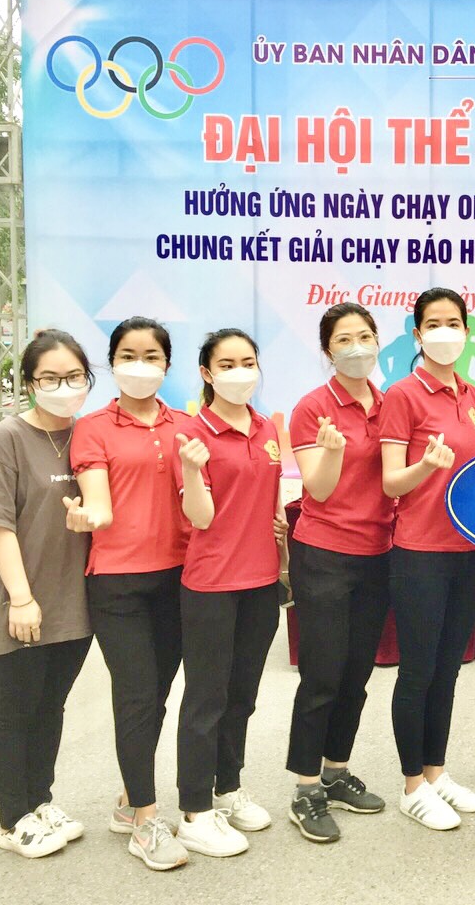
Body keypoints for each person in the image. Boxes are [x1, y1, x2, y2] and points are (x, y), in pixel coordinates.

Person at [66, 317, 190, 870]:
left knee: (157, 695)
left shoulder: (186, 425)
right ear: (112, 362)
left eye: (151, 356)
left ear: (167, 364)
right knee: (137, 695)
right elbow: (98, 502)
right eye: (128, 355)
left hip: (180, 578)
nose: (140, 365)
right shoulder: (93, 428)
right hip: (117, 582)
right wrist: (87, 516)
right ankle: (146, 820)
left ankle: (127, 800)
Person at [378, 288, 475, 831]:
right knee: (419, 671)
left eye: (454, 322)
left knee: (448, 670)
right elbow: (391, 482)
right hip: (420, 553)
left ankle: (436, 773)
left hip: (468, 551)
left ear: (467, 331)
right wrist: (427, 466)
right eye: (434, 323)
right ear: (418, 333)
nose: (445, 332)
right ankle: (412, 785)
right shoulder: (402, 395)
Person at [0, 329, 94, 858]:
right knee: (15, 707)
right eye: (50, 377)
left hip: (74, 600)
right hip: (21, 600)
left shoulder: (88, 436)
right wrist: (21, 598)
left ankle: (40, 800)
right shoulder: (6, 439)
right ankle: (12, 819)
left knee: (51, 705)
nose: (64, 386)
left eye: (74, 376)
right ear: (29, 383)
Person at [172, 328, 287, 857]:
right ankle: (194, 811)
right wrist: (192, 470)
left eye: (248, 362)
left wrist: (282, 554)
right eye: (227, 364)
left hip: (261, 583)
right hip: (212, 584)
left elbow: (269, 501)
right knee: (206, 700)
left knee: (242, 696)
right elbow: (200, 516)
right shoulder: (193, 433)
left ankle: (228, 787)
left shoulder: (266, 428)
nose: (240, 372)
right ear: (206, 373)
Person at [285, 303, 395, 843]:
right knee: (323, 674)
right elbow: (319, 488)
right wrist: (331, 452)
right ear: (328, 349)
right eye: (345, 339)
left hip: (379, 551)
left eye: (366, 336)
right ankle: (306, 788)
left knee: (357, 672)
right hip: (325, 553)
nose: (357, 347)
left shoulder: (389, 403)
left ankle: (335, 771)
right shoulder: (313, 407)